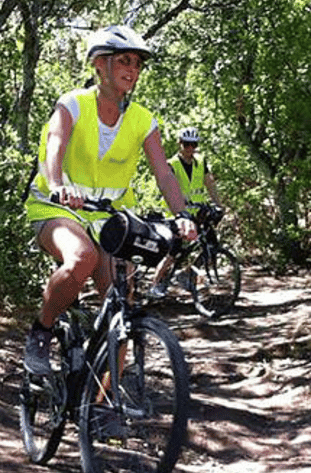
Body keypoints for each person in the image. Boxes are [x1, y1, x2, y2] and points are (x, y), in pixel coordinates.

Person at [23, 25, 196, 375]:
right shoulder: (73, 104)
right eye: (124, 61)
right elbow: (55, 144)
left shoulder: (143, 120)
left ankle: (103, 405)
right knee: (81, 257)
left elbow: (164, 174)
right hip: (57, 208)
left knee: (121, 301)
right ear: (99, 64)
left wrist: (182, 215)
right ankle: (41, 331)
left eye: (137, 64)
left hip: (109, 218)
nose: (132, 70)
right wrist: (57, 185)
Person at [148, 127, 224, 298]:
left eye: (194, 145)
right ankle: (154, 285)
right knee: (173, 252)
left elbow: (209, 183)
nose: (190, 149)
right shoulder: (172, 164)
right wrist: (180, 206)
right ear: (180, 144)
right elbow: (168, 188)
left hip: (199, 212)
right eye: (187, 144)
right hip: (179, 214)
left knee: (212, 248)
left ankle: (186, 274)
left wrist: (219, 205)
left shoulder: (200, 162)